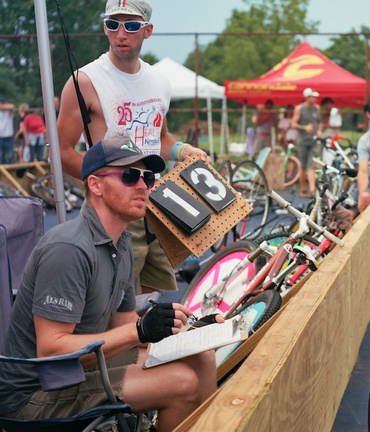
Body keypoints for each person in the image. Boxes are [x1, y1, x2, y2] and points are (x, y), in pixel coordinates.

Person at [0, 136, 220, 432]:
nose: (143, 186)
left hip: (82, 367)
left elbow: (125, 325)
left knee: (201, 356)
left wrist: (185, 330)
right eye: (130, 176)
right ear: (95, 185)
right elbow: (52, 351)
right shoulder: (68, 248)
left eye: (148, 177)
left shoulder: (122, 242)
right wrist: (139, 330)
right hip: (37, 392)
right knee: (183, 383)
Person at [57, 0, 208, 295]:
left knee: (153, 301)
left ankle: (144, 344)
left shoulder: (159, 80)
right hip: (112, 209)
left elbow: (159, 137)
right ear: (105, 28)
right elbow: (62, 151)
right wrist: (103, 184)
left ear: (147, 30)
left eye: (131, 25)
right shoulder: (85, 81)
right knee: (114, 303)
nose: (121, 33)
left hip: (157, 205)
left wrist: (182, 151)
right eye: (113, 24)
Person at [292, 88, 322, 197]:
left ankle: (313, 190)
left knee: (312, 166)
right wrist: (304, 127)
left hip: (313, 142)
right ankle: (303, 189)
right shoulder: (300, 109)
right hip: (303, 142)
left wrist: (318, 130)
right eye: (313, 96)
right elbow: (293, 124)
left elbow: (319, 122)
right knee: (302, 167)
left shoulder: (316, 108)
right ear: (307, 97)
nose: (315, 98)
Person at [0, 97, 15, 164]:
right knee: (1, 155)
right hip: (0, 136)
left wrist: (3, 107)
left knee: (10, 154)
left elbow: (12, 106)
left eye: (4, 103)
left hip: (8, 135)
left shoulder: (9, 111)